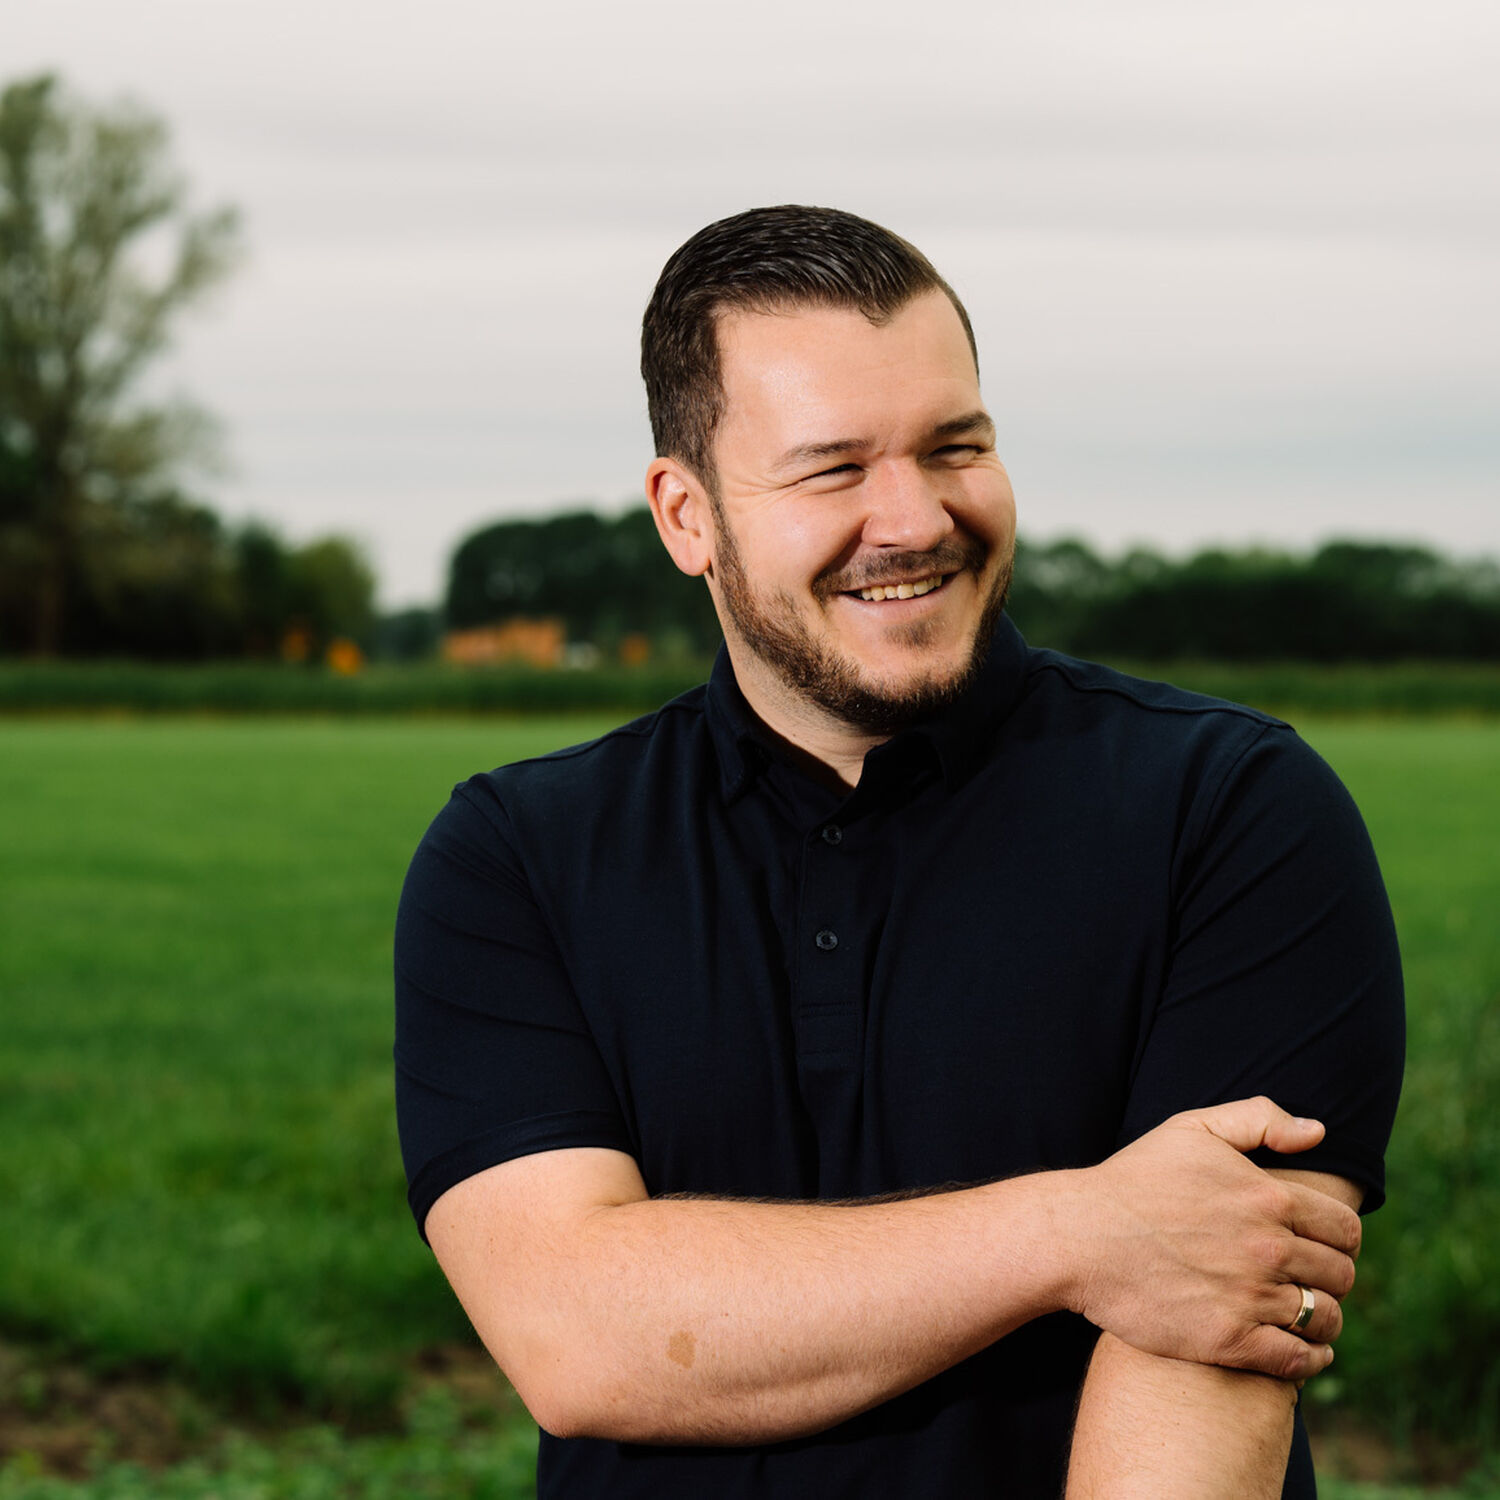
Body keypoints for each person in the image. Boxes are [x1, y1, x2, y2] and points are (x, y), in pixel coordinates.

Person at [394, 205, 1404, 1498]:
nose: (914, 516)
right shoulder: (518, 854)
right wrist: (1080, 1231)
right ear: (686, 515)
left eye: (955, 446)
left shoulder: (1233, 810)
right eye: (833, 468)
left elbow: (1206, 1364)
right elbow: (581, 1334)